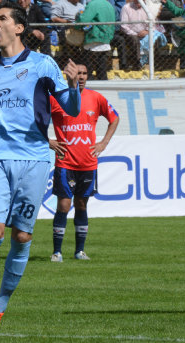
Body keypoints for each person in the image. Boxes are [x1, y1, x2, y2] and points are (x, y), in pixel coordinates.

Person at [0, 1, 80, 338]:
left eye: (2, 19)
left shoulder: (44, 64)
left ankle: (0, 305)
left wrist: (75, 86)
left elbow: (69, 109)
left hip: (35, 158)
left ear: (18, 28)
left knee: (22, 235)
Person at [49, 62, 119, 262]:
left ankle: (79, 251)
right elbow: (34, 120)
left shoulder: (96, 98)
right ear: (69, 75)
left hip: (88, 163)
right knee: (63, 205)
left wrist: (103, 143)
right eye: (77, 73)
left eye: (84, 73)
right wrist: (48, 141)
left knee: (81, 205)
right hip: (65, 162)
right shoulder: (57, 98)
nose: (81, 76)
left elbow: (114, 118)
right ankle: (57, 252)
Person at [77, 0, 116, 80]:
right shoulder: (109, 5)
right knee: (102, 68)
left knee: (88, 67)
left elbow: (83, 20)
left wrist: (76, 23)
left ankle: (89, 87)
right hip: (106, 39)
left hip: (93, 39)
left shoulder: (92, 4)